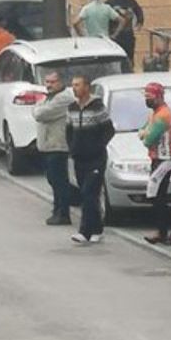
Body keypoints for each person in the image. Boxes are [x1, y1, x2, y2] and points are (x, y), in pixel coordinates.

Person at [66, 75, 115, 244]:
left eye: (78, 85)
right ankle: (97, 228)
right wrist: (72, 148)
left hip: (96, 158)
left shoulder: (97, 107)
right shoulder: (71, 108)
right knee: (88, 195)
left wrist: (97, 146)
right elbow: (69, 131)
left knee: (89, 192)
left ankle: (84, 231)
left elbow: (109, 130)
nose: (74, 88)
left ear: (86, 87)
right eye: (73, 85)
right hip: (79, 158)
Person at [138, 82, 171, 245]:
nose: (147, 100)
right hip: (157, 158)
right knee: (157, 195)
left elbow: (148, 139)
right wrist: (145, 132)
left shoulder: (163, 115)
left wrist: (145, 134)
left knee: (156, 194)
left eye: (150, 97)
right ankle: (164, 230)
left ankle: (168, 229)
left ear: (159, 97)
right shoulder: (154, 113)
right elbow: (143, 130)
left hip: (165, 159)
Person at [34, 72, 76, 225]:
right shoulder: (49, 97)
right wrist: (38, 106)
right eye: (47, 81)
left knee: (59, 182)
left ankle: (63, 213)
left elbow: (40, 114)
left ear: (61, 82)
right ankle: (57, 210)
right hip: (49, 146)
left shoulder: (63, 98)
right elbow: (38, 109)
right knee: (53, 180)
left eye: (52, 82)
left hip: (58, 147)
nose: (49, 85)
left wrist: (38, 107)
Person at [106, 0, 144, 70]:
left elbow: (138, 11)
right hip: (115, 34)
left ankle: (130, 70)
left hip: (128, 34)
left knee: (129, 55)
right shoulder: (110, 2)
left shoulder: (130, 1)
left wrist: (139, 22)